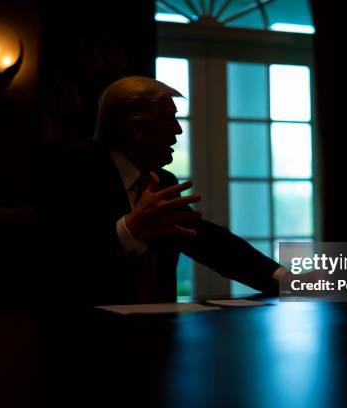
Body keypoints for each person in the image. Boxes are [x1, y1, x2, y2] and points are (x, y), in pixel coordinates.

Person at [37, 76, 287, 305]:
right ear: (136, 129)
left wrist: (288, 280)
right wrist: (130, 230)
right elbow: (59, 262)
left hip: (163, 336)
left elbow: (210, 243)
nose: (178, 130)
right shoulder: (68, 172)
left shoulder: (162, 180)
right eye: (169, 119)